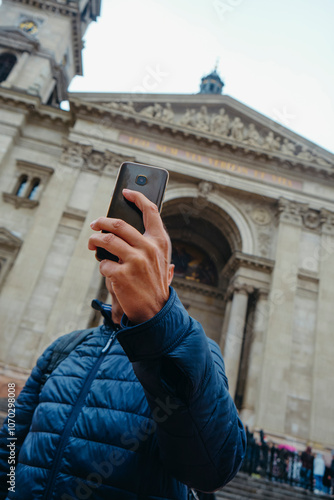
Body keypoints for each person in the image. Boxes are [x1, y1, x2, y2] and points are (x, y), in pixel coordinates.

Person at [0, 189, 246, 499]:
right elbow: (9, 444)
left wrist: (160, 320)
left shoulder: (194, 351)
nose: (130, 264)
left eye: (145, 259)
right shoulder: (64, 348)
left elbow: (212, 468)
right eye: (121, 253)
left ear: (167, 275)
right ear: (104, 263)